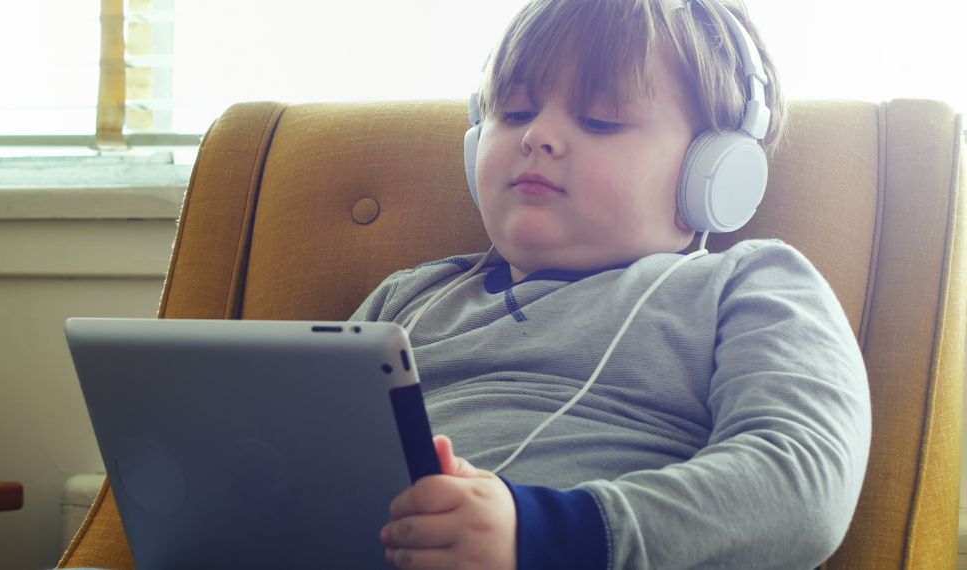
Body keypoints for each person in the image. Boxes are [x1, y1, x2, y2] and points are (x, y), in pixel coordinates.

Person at [354, 0, 871, 568]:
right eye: (516, 112)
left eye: (600, 120)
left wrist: (543, 536)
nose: (539, 136)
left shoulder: (749, 285)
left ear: (713, 171)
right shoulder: (407, 299)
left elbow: (800, 483)